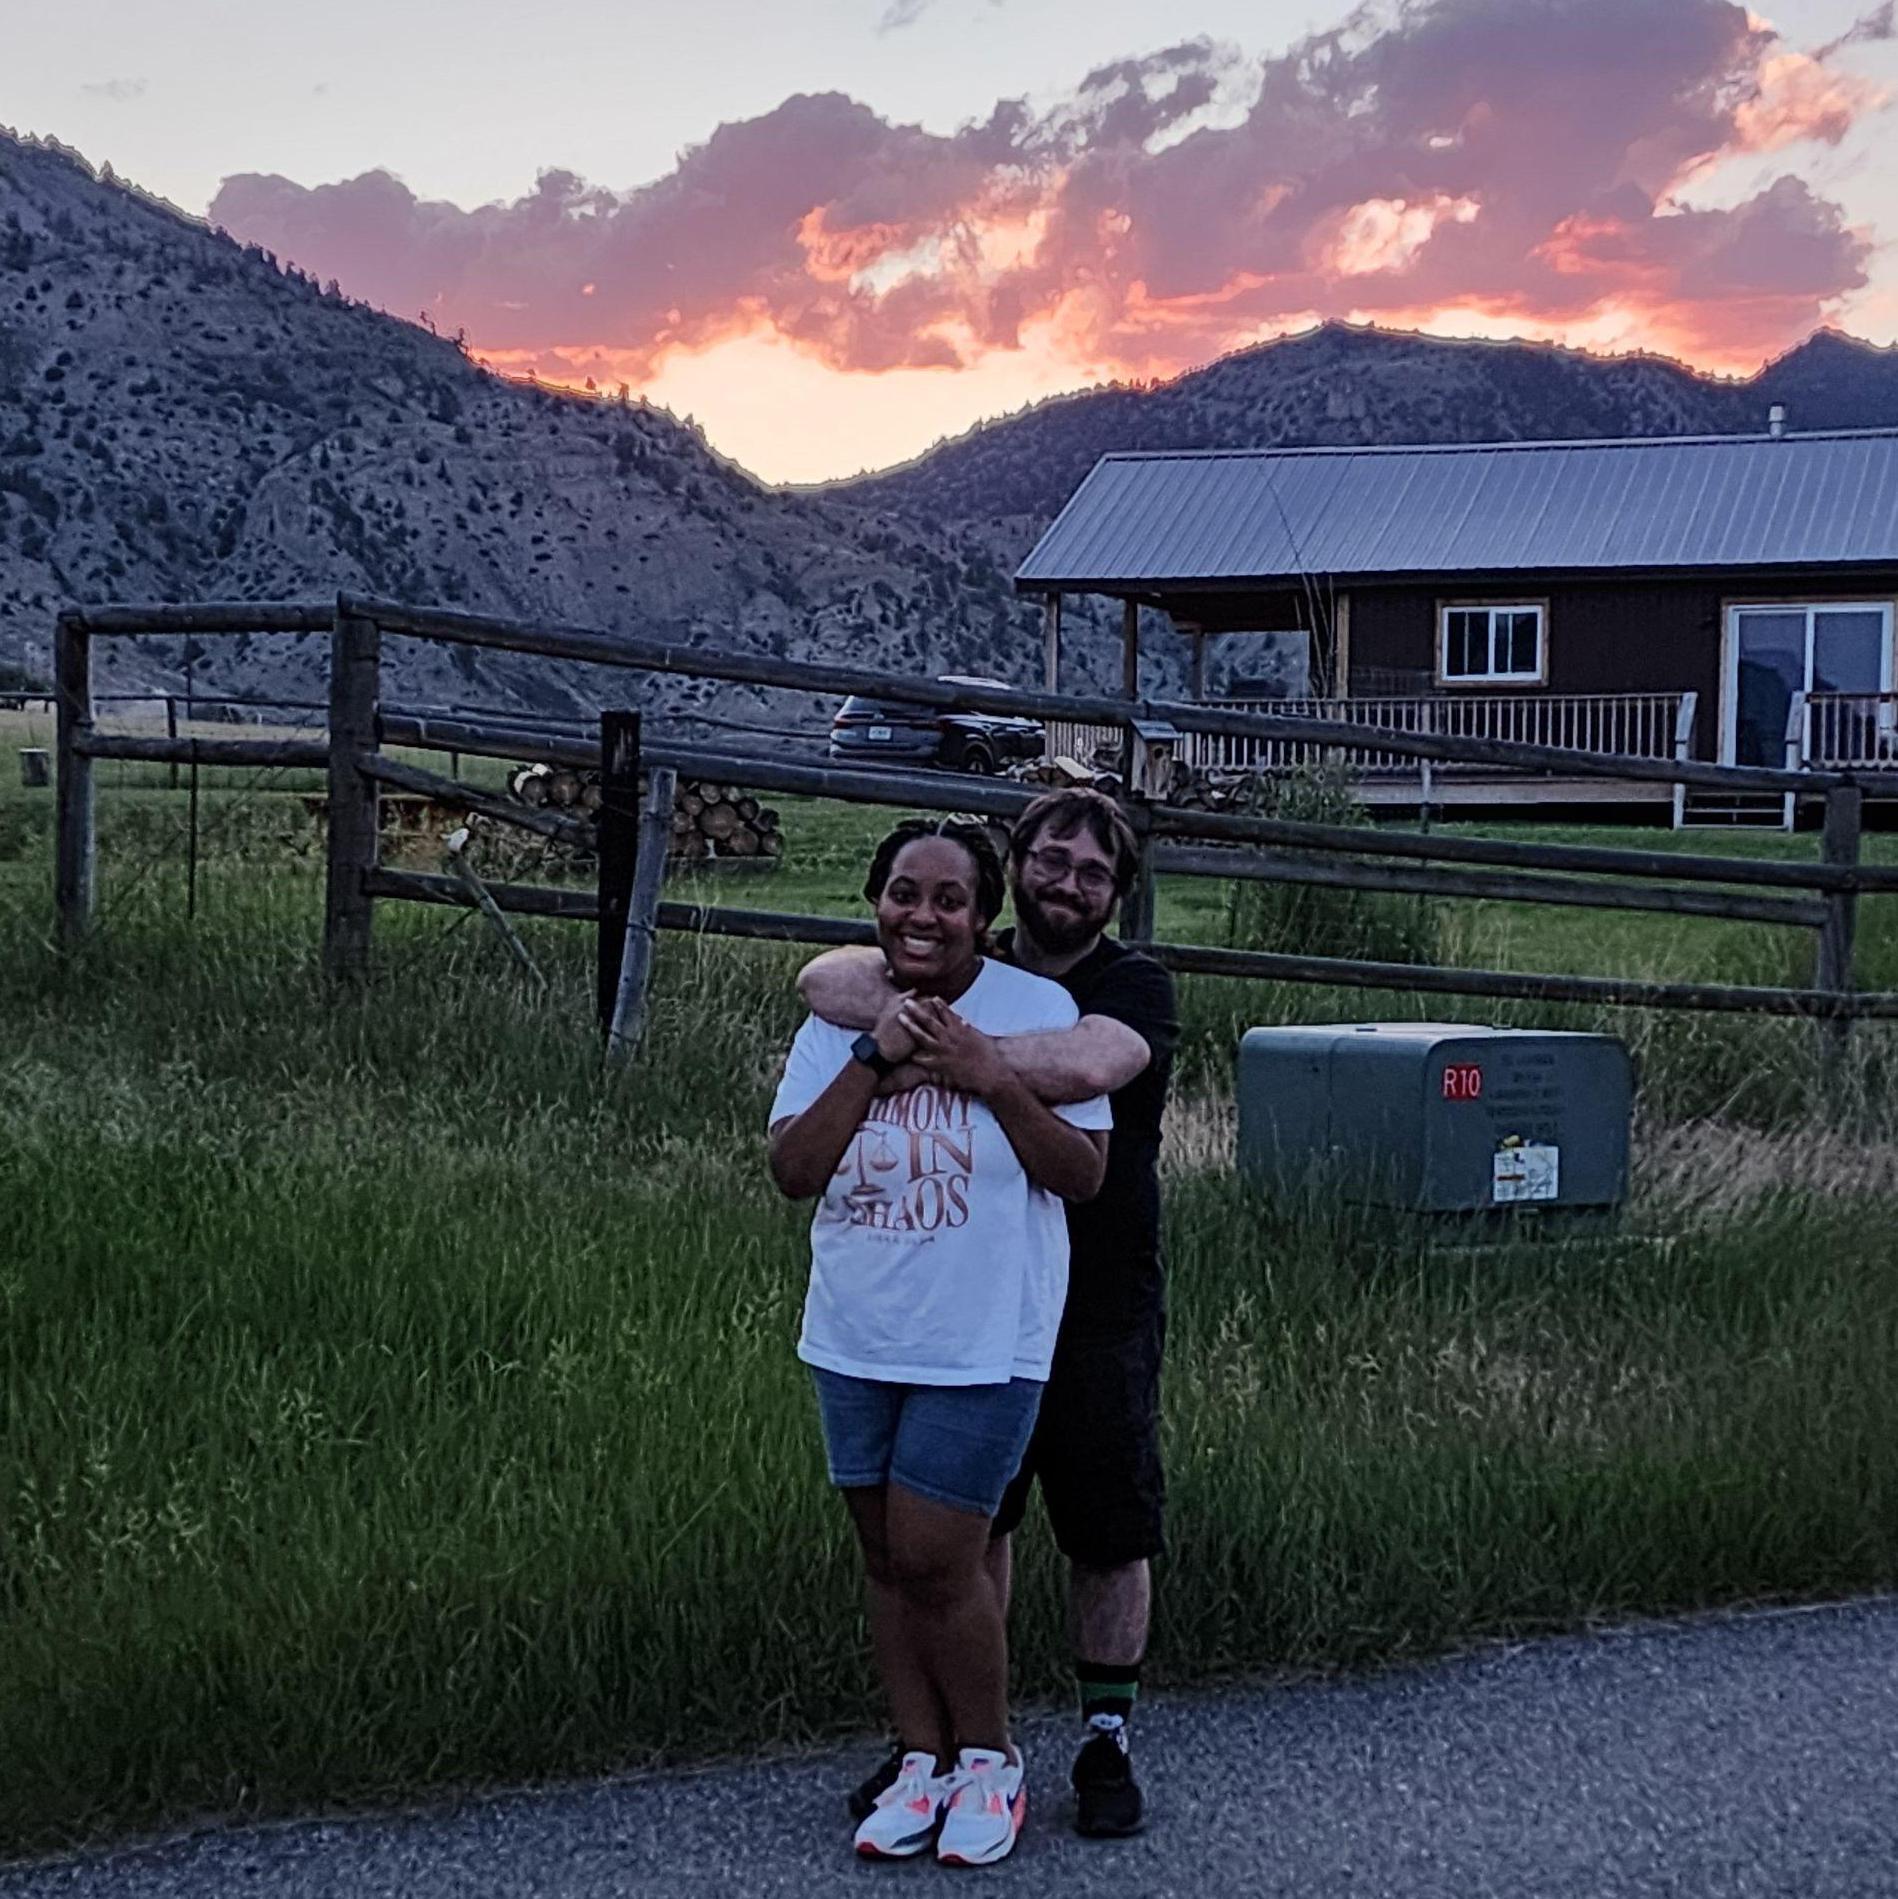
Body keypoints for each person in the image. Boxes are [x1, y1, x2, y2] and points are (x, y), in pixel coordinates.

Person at [799, 788, 1179, 1838]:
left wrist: (931, 1048)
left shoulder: (1125, 986)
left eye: (1093, 873)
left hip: (1096, 1292)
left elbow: (1088, 1066)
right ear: (1014, 867)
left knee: (1104, 1521)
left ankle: (1103, 1735)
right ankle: (960, 1741)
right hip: (957, 1294)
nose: (1067, 884)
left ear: (1116, 895)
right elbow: (822, 976)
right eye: (1051, 861)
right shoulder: (961, 949)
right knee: (969, 1529)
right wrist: (922, 1017)